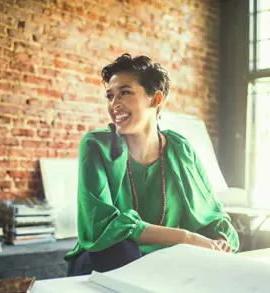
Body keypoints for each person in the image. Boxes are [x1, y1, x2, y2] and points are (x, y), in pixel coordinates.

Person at [65, 53, 239, 276]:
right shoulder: (96, 145)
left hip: (162, 264)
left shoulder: (180, 150)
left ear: (155, 100)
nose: (114, 104)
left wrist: (219, 241)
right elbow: (101, 225)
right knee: (123, 249)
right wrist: (185, 237)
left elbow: (212, 216)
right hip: (104, 261)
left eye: (125, 93)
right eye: (110, 96)